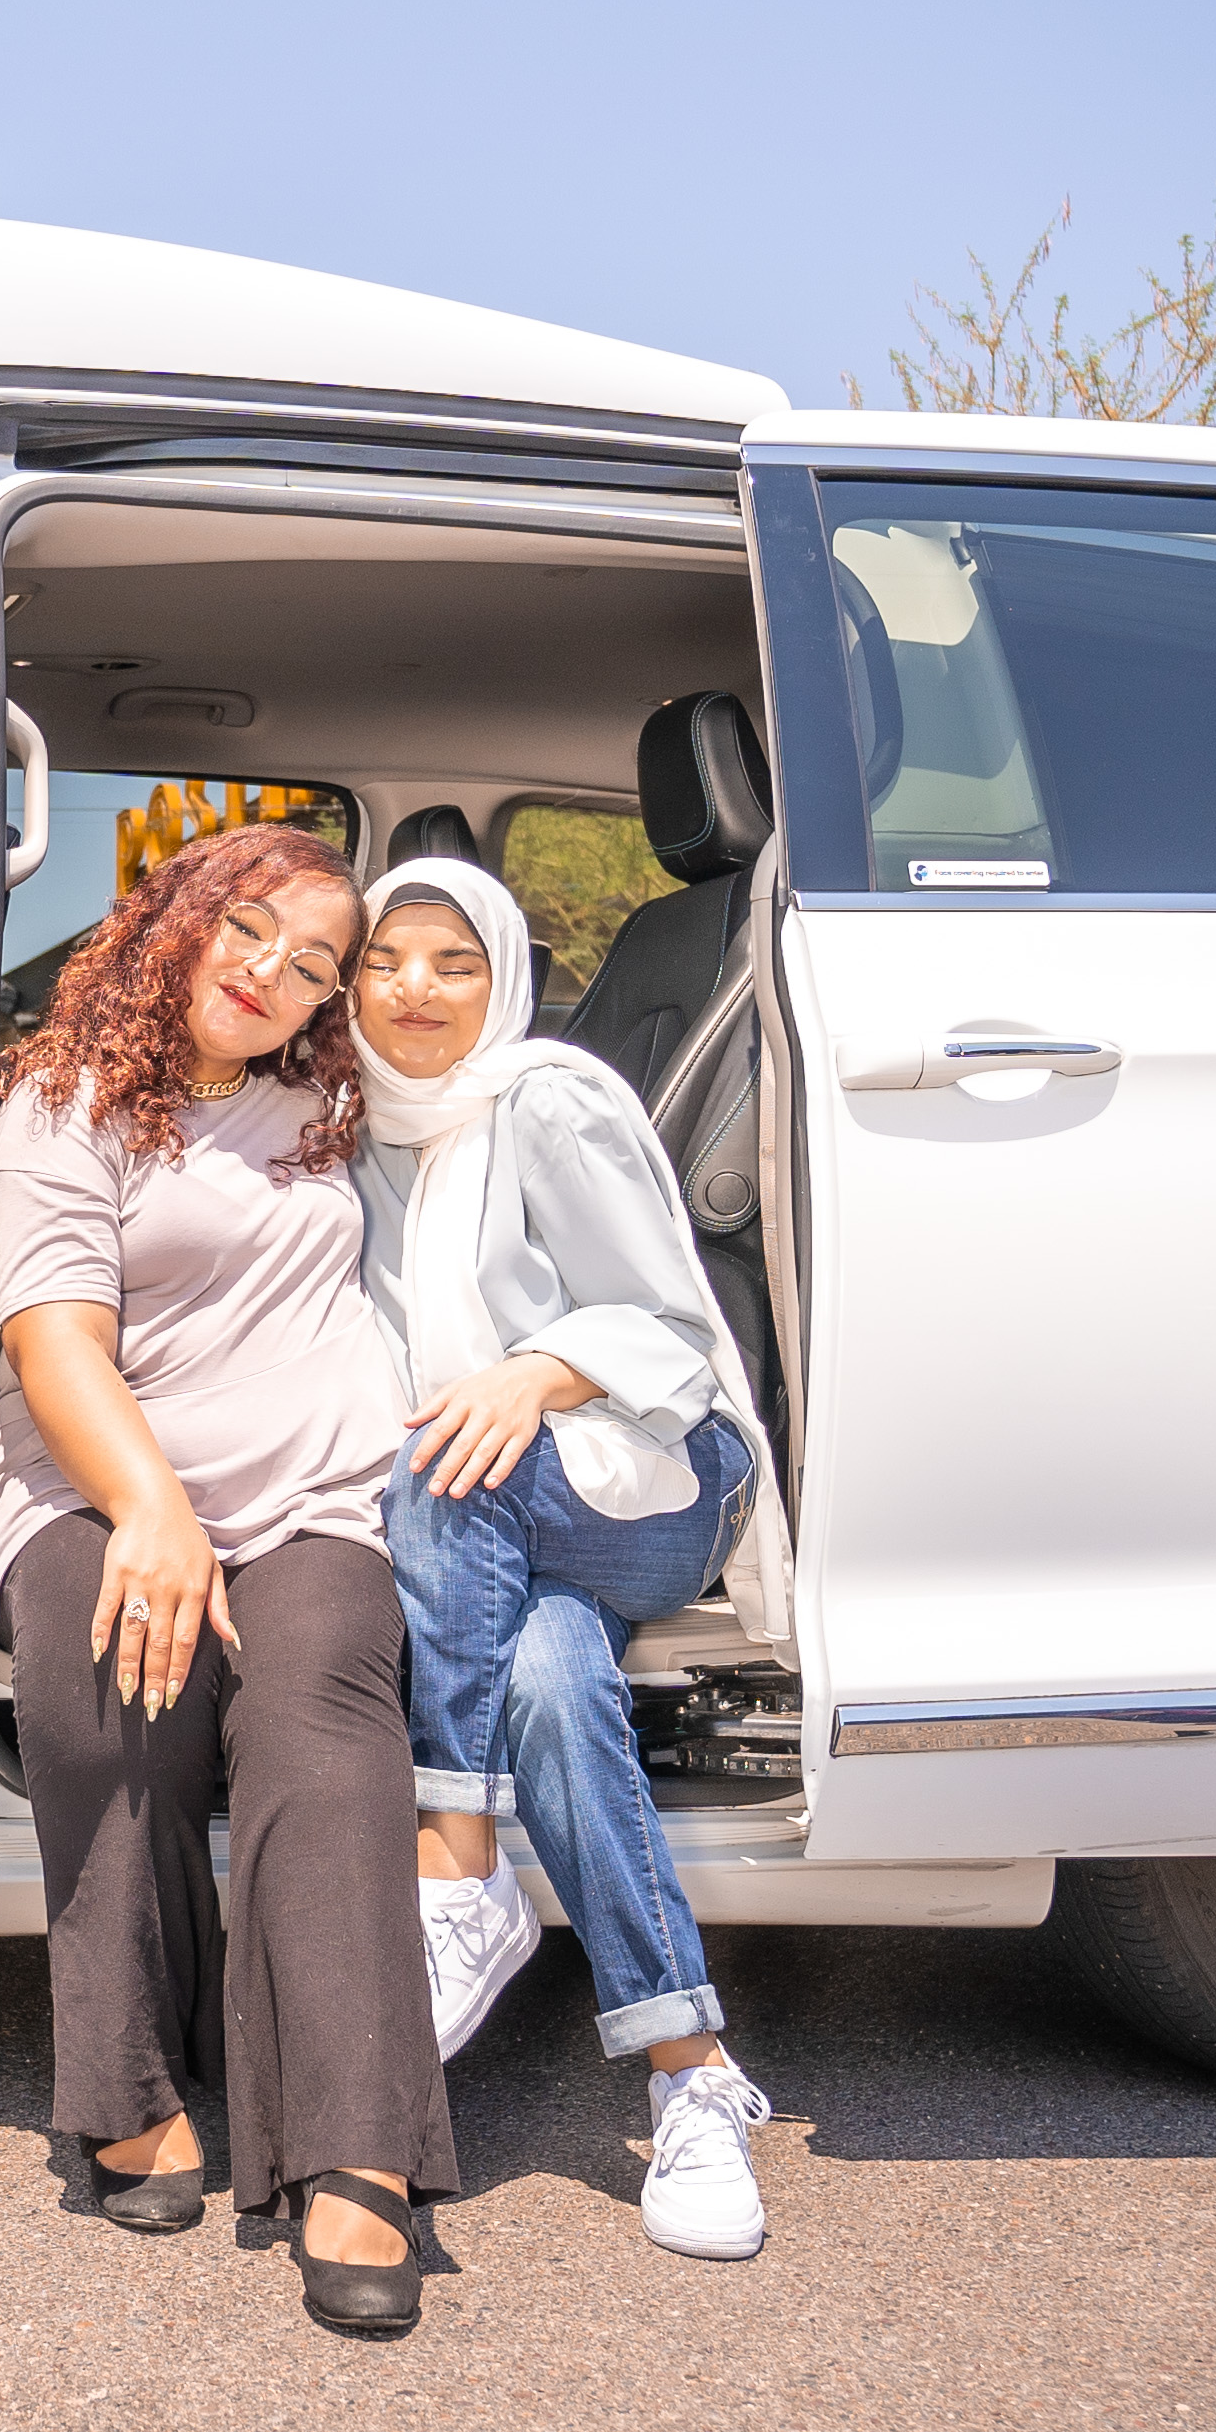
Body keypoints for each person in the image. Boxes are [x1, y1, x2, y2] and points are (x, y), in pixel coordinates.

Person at [0, 818, 457, 2335]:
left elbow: (478, 1061)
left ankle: (354, 2151)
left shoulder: (330, 1098)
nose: (273, 973)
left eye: (314, 962)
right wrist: (150, 1511)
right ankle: (122, 2083)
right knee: (107, 1686)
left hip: (310, 1498)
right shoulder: (62, 1105)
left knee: (325, 1730)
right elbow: (54, 1340)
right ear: (180, 918)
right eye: (251, 928)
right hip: (95, 1486)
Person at [343, 853, 786, 2261]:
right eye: (384, 962)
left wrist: (533, 1378)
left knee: (448, 1445)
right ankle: (690, 2071)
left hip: (653, 1472)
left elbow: (664, 1326)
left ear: (502, 978)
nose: (415, 993)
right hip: (496, 1523)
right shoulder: (346, 1129)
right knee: (544, 1671)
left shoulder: (549, 1099)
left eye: (453, 963)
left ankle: (456, 1860)